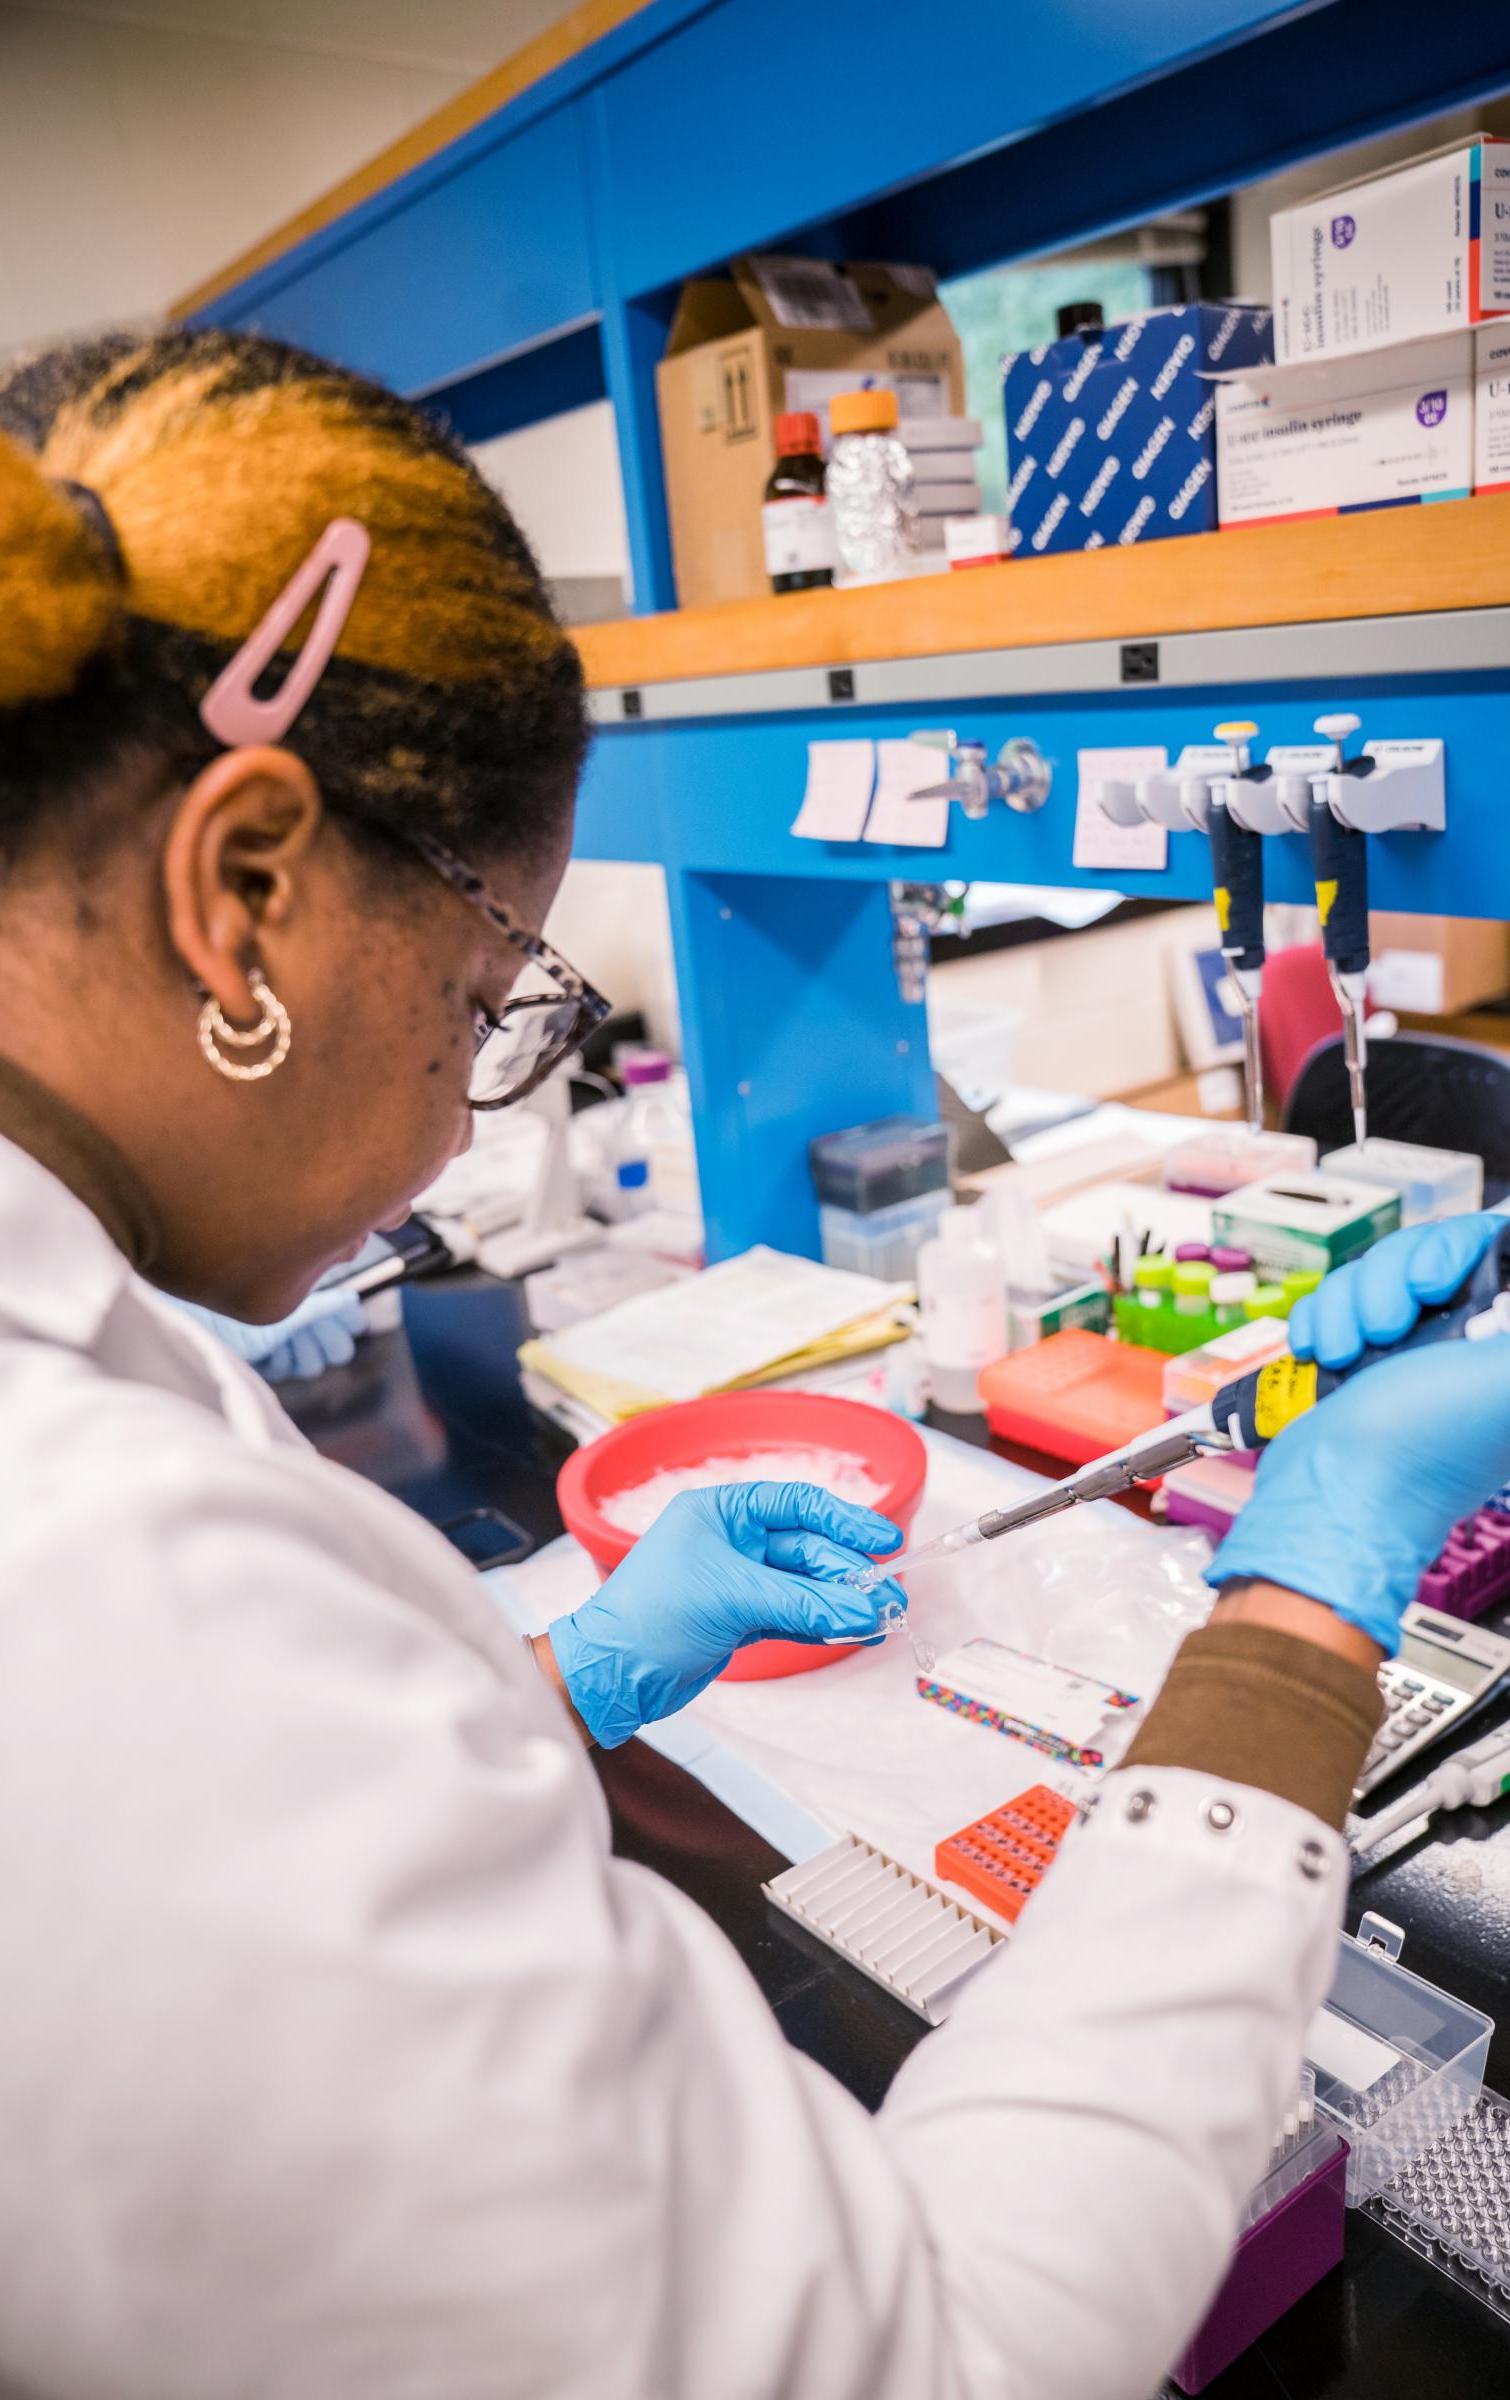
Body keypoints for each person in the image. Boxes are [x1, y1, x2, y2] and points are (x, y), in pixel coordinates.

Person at [1, 327, 1508, 2400]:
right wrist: (1297, 1596)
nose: (462, 1121)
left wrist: (550, 1683)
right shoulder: (106, 1595)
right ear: (239, 885)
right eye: (481, 995)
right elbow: (940, 2355)